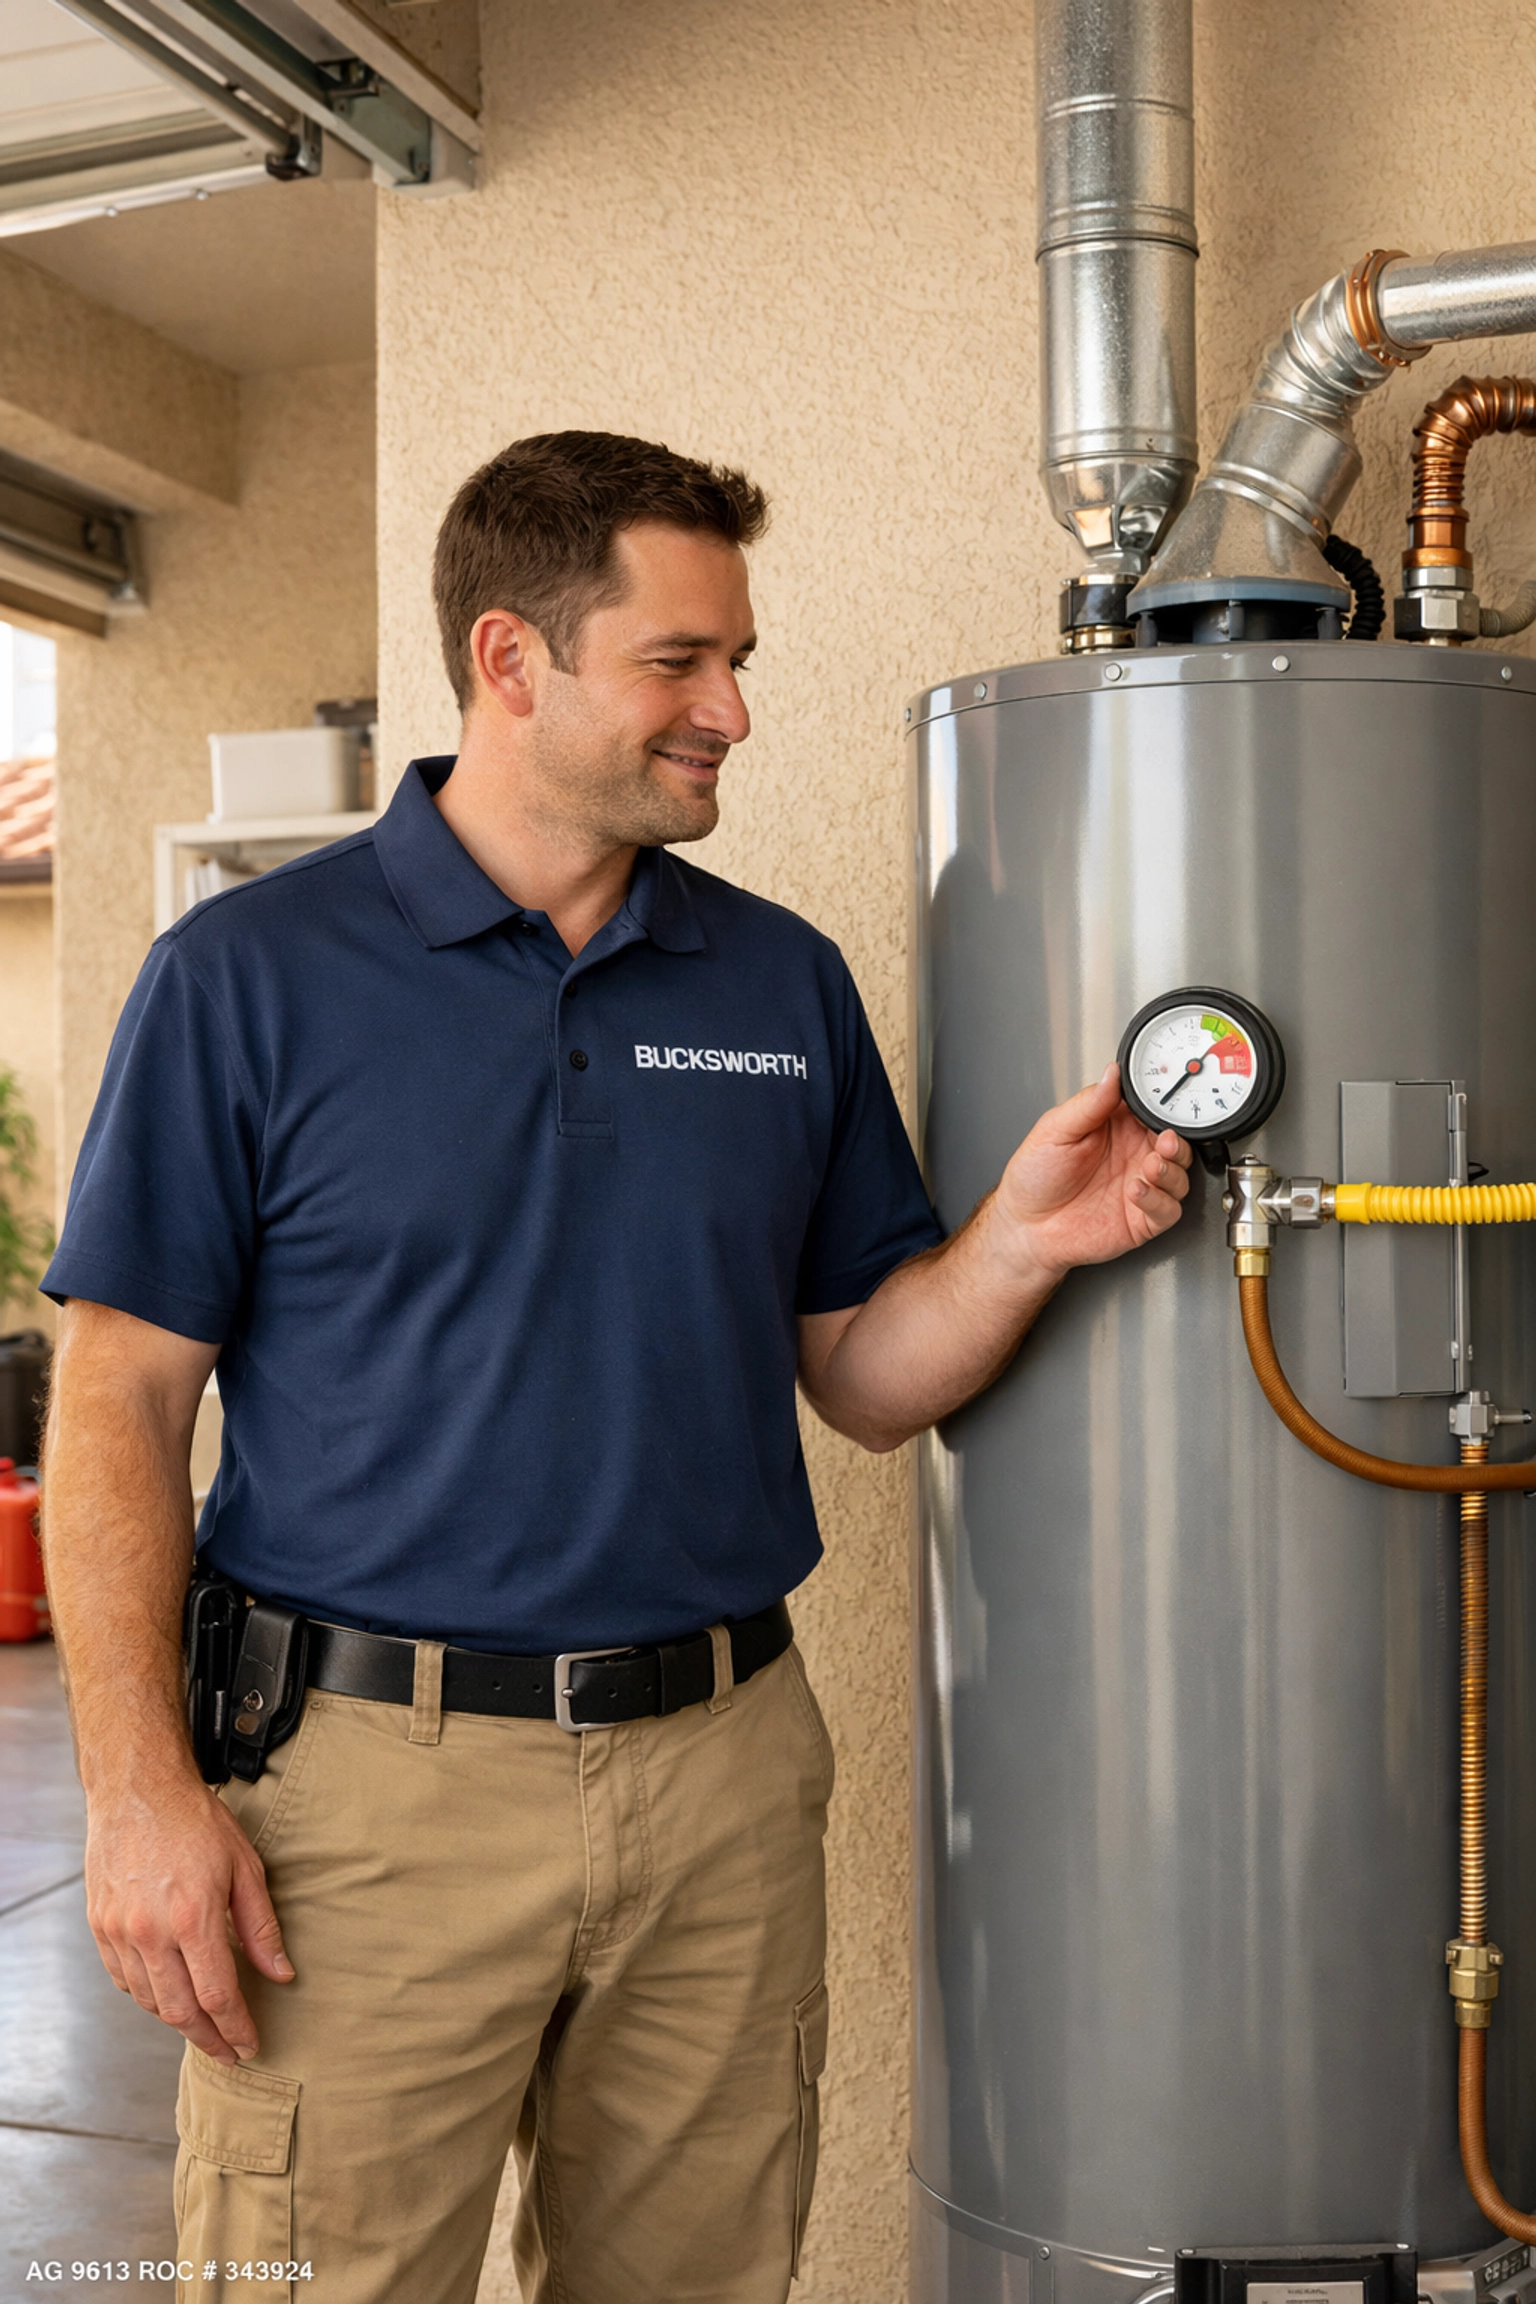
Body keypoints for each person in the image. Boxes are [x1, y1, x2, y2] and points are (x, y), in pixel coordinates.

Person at [41, 432, 1191, 2304]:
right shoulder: (249, 979)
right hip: (365, 1802)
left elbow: (867, 1377)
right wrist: (138, 1792)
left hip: (723, 1782)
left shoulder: (778, 984)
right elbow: (120, 1404)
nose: (732, 708)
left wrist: (1018, 1246)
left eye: (737, 659)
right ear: (513, 659)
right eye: (680, 662)